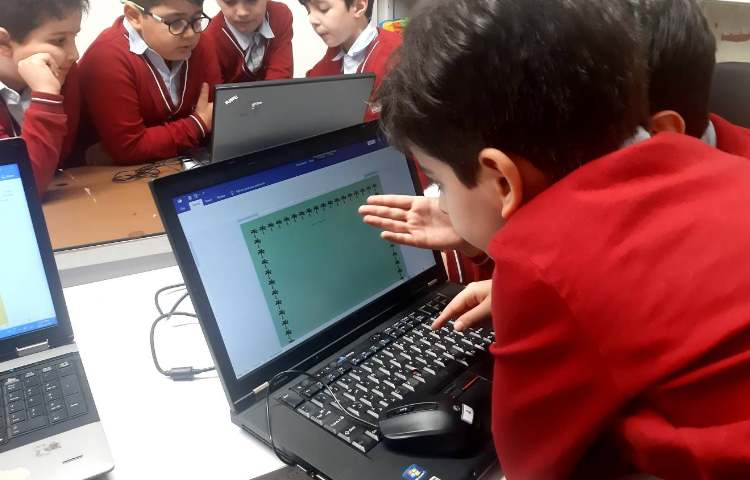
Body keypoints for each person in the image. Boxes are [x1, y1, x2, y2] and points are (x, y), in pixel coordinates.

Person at [374, 0, 750, 477]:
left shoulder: (542, 267)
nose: (443, 204)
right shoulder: (699, 157)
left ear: (501, 180)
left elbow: (531, 467)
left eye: (440, 182)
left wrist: (525, 284)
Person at [77, 0, 221, 165]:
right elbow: (130, 147)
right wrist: (198, 124)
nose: (190, 34)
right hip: (109, 174)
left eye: (197, 19)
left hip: (177, 166)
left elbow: (218, 114)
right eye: (176, 22)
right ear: (134, 16)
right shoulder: (105, 59)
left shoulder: (200, 41)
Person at [0, 0, 86, 195]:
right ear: (3, 43)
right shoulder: (50, 83)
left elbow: (66, 158)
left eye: (74, 37)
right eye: (59, 40)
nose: (75, 54)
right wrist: (45, 94)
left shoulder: (63, 72)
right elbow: (20, 187)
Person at [300, 0, 400, 121]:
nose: (312, 20)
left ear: (359, 6)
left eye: (323, 8)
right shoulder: (328, 62)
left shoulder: (399, 57)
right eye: (308, 10)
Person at [204, 0, 293, 83]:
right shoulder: (209, 42)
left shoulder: (280, 15)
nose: (242, 12)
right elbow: (216, 93)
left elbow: (280, 81)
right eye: (229, 1)